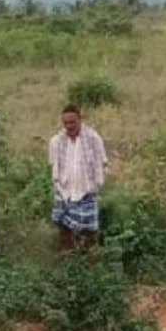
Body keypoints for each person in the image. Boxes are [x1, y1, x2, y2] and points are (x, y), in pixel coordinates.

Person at [48, 104, 107, 252]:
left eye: (72, 122)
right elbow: (53, 166)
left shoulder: (93, 138)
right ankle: (67, 265)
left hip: (86, 191)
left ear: (80, 120)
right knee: (64, 233)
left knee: (90, 234)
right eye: (65, 123)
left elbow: (102, 163)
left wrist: (97, 185)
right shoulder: (56, 141)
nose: (69, 126)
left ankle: (91, 267)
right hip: (64, 192)